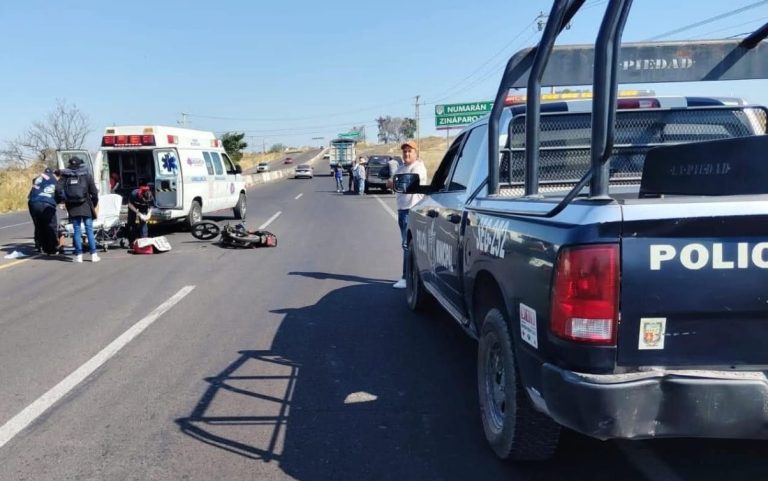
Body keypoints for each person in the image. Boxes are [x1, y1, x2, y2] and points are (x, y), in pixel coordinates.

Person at [388, 141, 427, 289]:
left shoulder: (418, 167)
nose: (407, 154)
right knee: (407, 244)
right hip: (402, 210)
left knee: (407, 245)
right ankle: (415, 277)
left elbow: (407, 181)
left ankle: (406, 277)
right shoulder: (401, 168)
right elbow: (392, 182)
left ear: (416, 153)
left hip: (413, 210)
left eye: (410, 151)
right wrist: (391, 182)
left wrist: (397, 182)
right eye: (405, 151)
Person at [56, 157, 100, 263]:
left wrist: (64, 200)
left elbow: (57, 189)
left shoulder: (65, 176)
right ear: (80, 164)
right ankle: (93, 254)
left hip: (72, 206)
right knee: (89, 229)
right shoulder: (86, 175)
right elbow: (94, 192)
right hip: (86, 205)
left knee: (76, 230)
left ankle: (78, 255)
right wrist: (93, 204)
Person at [27, 167, 61, 255]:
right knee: (51, 226)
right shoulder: (54, 179)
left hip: (33, 203)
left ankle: (40, 245)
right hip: (46, 203)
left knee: (38, 225)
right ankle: (52, 248)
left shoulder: (38, 178)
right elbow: (59, 193)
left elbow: (31, 194)